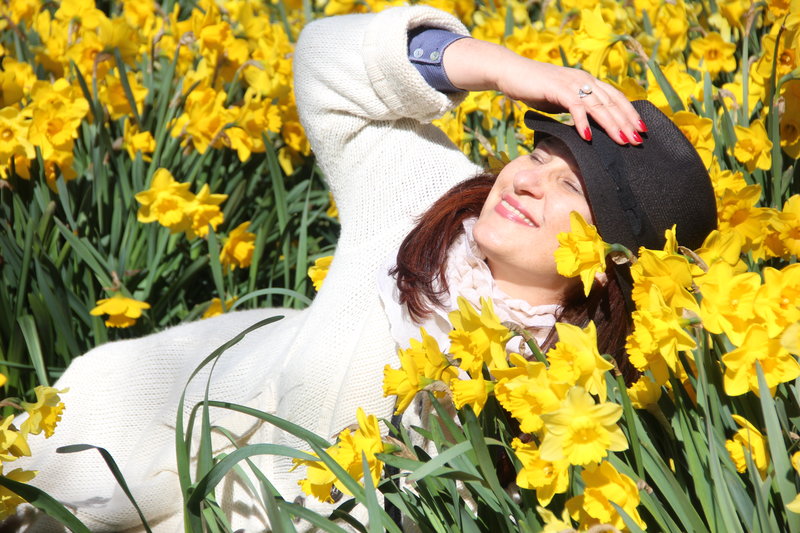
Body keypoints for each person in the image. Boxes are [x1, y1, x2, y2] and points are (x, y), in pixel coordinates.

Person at [13, 5, 716, 532]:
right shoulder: (423, 201)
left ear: (613, 264)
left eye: (572, 188)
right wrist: (510, 71)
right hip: (168, 409)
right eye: (537, 154)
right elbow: (326, 58)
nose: (528, 181)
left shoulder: (588, 392)